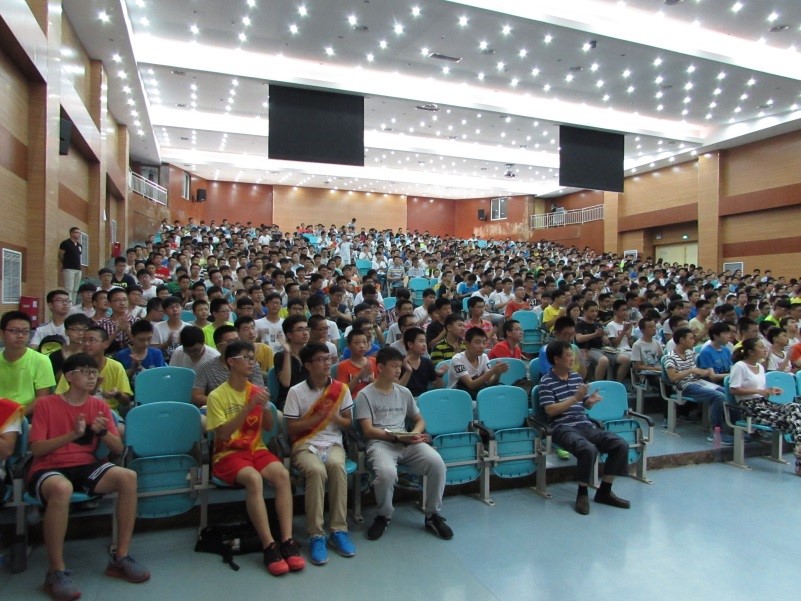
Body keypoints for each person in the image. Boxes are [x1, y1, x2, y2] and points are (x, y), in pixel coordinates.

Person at [27, 353, 150, 600]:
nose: (92, 377)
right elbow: (37, 449)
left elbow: (117, 448)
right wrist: (73, 435)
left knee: (128, 477)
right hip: (49, 467)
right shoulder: (46, 404)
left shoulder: (99, 405)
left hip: (85, 464)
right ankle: (55, 572)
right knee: (61, 488)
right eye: (85, 372)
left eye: (94, 372)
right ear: (69, 376)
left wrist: (102, 432)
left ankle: (121, 557)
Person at [205, 340, 305, 576]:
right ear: (231, 362)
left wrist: (266, 407)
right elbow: (223, 434)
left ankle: (287, 540)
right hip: (228, 453)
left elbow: (268, 426)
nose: (253, 362)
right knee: (253, 478)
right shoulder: (217, 396)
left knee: (282, 475)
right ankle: (269, 545)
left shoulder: (256, 391)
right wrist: (248, 407)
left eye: (253, 358)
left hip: (255, 449)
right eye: (247, 358)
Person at [354, 347, 453, 541]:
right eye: (394, 366)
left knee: (437, 464)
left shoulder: (404, 392)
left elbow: (420, 420)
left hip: (406, 441)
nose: (398, 370)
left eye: (400, 366)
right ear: (380, 367)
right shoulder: (365, 395)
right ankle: (384, 515)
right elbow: (367, 430)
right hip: (381, 442)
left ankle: (432, 514)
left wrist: (414, 434)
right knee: (386, 473)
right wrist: (397, 437)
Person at [538, 340, 631, 515]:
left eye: (572, 355)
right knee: (588, 449)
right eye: (568, 355)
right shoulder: (546, 381)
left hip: (584, 423)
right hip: (561, 427)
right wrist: (575, 398)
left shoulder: (575, 377)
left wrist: (589, 401)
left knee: (620, 445)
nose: (572, 358)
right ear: (556, 359)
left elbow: (583, 403)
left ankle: (604, 491)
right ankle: (582, 493)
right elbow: (550, 410)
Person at [284, 342, 356, 565]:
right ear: (308, 365)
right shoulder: (296, 392)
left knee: (337, 466)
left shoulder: (341, 389)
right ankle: (316, 535)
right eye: (321, 359)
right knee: (316, 471)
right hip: (305, 444)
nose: (326, 363)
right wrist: (317, 418)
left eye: (328, 358)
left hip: (333, 443)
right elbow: (291, 428)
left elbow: (348, 423)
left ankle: (338, 530)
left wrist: (335, 418)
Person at [729, 337, 801, 476]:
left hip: (764, 402)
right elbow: (734, 390)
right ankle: (799, 461)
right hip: (749, 406)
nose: (765, 349)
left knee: (794, 407)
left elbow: (761, 390)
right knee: (790, 421)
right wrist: (759, 391)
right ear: (750, 351)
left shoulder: (760, 367)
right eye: (761, 347)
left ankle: (799, 447)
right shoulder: (740, 366)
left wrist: (769, 390)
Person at [664, 327, 730, 444]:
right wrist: (691, 370)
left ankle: (733, 428)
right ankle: (716, 433)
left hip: (697, 382)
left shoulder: (690, 353)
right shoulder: (670, 357)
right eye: (691, 338)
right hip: (684, 386)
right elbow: (673, 377)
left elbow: (694, 372)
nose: (694, 341)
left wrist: (701, 372)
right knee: (718, 397)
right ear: (682, 340)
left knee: (726, 392)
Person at [55, 326, 133, 415]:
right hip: (76, 412)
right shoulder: (73, 367)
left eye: (92, 340)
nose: (86, 344)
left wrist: (117, 394)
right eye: (84, 340)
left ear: (105, 344)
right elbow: (61, 397)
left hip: (109, 413)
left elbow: (126, 402)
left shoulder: (116, 366)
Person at [0, 311, 56, 416]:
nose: (20, 335)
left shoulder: (41, 360)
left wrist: (14, 417)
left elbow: (42, 398)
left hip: (27, 414)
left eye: (25, 331)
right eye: (14, 331)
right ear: (2, 333)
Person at [448, 327, 508, 398]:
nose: (482, 346)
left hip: (476, 395)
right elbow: (471, 385)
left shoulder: (484, 357)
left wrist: (497, 373)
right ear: (467, 343)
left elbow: (490, 383)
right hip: (456, 397)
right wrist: (492, 371)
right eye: (477, 342)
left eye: (484, 342)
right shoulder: (457, 359)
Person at [273, 315, 311, 410]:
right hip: (288, 401)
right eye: (300, 330)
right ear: (289, 335)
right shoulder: (280, 356)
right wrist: (287, 353)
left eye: (307, 329)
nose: (305, 333)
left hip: (310, 398)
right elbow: (286, 383)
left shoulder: (312, 354)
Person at [114, 319, 166, 385]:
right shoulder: (121, 355)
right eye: (141, 340)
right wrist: (133, 369)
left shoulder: (156, 353)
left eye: (149, 339)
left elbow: (161, 377)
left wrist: (140, 367)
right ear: (132, 337)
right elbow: (119, 380)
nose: (145, 343)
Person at [398, 327, 442, 397]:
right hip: (405, 399)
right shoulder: (399, 363)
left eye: (425, 341)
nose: (425, 345)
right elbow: (397, 390)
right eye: (421, 341)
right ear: (410, 344)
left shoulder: (427, 362)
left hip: (424, 399)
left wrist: (439, 376)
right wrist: (408, 371)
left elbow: (438, 387)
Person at [335, 328, 377, 398]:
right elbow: (342, 393)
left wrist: (370, 378)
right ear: (349, 346)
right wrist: (358, 376)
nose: (362, 346)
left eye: (364, 342)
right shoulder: (343, 366)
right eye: (357, 342)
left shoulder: (374, 362)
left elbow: (382, 387)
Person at [58, 227, 83, 304]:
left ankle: (73, 304)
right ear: (72, 233)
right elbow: (60, 255)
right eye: (77, 232)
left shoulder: (79, 245)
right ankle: (69, 305)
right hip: (69, 268)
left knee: (75, 289)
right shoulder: (65, 243)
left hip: (78, 269)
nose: (79, 234)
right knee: (69, 288)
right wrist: (65, 264)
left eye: (79, 233)